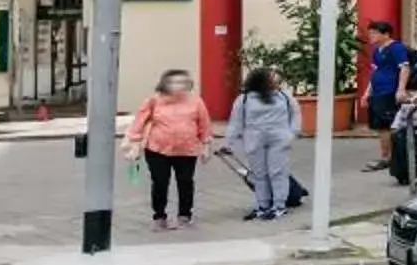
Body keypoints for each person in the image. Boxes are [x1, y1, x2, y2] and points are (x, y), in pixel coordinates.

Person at [126, 69, 213, 231]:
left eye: (183, 82)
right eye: (175, 82)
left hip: (187, 150)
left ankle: (185, 216)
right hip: (158, 149)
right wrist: (134, 144)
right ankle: (159, 216)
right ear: (165, 84)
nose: (179, 86)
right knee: (160, 182)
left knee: (185, 182)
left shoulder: (196, 102)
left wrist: (206, 146)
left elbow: (204, 125)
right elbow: (139, 122)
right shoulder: (154, 101)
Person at [228, 65, 302, 220]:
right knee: (259, 174)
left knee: (278, 172)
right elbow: (236, 121)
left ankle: (279, 206)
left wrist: (292, 134)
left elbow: (295, 115)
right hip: (254, 140)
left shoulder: (284, 96)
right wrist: (230, 142)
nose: (276, 79)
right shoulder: (244, 99)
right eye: (271, 76)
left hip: (279, 140)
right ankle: (262, 206)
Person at [363, 20, 417, 172]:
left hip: (389, 90)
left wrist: (400, 89)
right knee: (380, 126)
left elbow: (404, 68)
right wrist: (367, 93)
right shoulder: (377, 50)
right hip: (378, 91)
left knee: (388, 125)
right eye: (370, 33)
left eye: (374, 33)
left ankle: (390, 157)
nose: (371, 36)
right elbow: (374, 72)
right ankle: (385, 155)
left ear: (386, 34)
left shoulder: (396, 48)